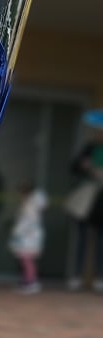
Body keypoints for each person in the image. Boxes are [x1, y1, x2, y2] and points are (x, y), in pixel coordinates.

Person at [66, 114, 103, 291]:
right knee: (81, 239)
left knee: (101, 241)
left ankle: (99, 278)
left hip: (101, 200)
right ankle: (77, 276)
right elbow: (73, 168)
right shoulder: (88, 149)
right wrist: (86, 167)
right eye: (98, 131)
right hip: (86, 199)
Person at [8, 184, 48, 294]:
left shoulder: (30, 205)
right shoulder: (32, 204)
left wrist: (17, 232)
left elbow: (26, 222)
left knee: (27, 260)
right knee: (26, 260)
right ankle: (28, 281)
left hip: (28, 236)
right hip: (29, 235)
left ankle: (31, 282)